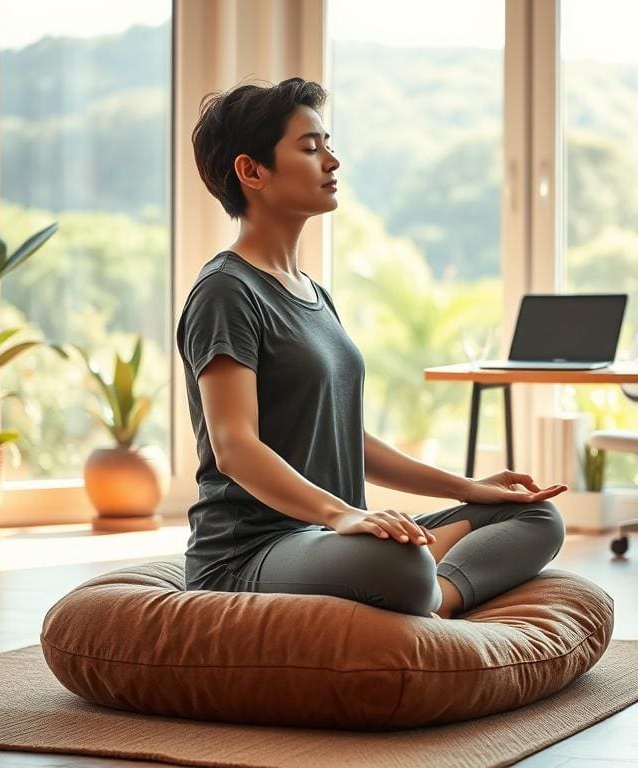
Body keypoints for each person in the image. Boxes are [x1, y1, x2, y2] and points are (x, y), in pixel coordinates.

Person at [176, 76, 568, 619]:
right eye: (310, 148)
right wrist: (342, 515)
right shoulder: (225, 291)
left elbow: (347, 438)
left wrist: (469, 488)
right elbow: (234, 446)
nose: (332, 161)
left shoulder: (314, 294)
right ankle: (425, 588)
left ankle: (434, 603)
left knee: (535, 517)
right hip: (249, 553)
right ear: (252, 171)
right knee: (399, 564)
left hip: (327, 539)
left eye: (328, 145)